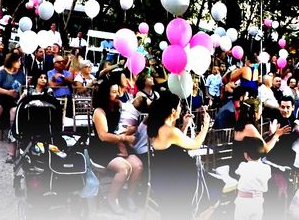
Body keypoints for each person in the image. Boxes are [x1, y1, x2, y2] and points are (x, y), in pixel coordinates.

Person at [147, 92, 210, 219]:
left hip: (166, 178)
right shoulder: (170, 131)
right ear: (173, 110)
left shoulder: (161, 128)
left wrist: (185, 125)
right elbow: (195, 144)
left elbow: (174, 143)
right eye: (179, 106)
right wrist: (206, 126)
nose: (181, 109)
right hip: (176, 182)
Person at [90, 81, 143, 214]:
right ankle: (111, 199)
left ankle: (129, 197)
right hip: (101, 148)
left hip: (116, 144)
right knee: (124, 168)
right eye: (114, 92)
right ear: (105, 95)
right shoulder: (99, 111)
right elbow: (103, 136)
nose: (118, 94)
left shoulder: (116, 106)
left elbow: (118, 129)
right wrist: (125, 138)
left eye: (117, 91)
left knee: (138, 165)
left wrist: (129, 131)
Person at [231, 98, 291, 175]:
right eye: (260, 110)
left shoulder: (242, 123)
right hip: (240, 170)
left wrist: (271, 134)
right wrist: (277, 135)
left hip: (238, 165)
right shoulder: (249, 127)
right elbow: (265, 149)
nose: (261, 112)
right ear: (254, 112)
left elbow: (258, 142)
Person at [0, 53, 26, 162]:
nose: (20, 63)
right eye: (18, 61)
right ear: (12, 61)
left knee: (14, 112)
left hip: (13, 100)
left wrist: (19, 90)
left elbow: (18, 88)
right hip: (1, 97)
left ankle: (12, 144)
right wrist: (7, 92)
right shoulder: (3, 72)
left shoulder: (21, 74)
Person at [234, 136, 271, 220]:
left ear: (246, 154)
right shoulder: (266, 168)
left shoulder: (243, 166)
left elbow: (237, 172)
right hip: (258, 201)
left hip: (243, 202)